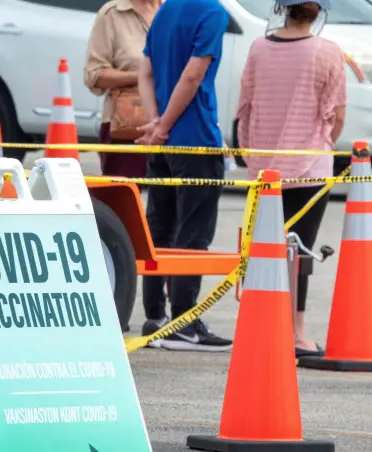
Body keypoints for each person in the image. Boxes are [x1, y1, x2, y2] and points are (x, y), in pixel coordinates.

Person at [237, 0, 346, 358]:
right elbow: (336, 114)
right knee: (300, 252)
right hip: (309, 168)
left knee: (263, 250)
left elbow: (245, 107)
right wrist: (324, 143)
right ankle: (296, 332)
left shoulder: (258, 48)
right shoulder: (327, 51)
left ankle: (259, 326)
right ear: (320, 12)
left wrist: (250, 151)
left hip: (263, 169)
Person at [134, 0, 233, 352]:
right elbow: (193, 75)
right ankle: (184, 321)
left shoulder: (166, 10)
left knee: (159, 228)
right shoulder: (212, 13)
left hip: (162, 142)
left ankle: (155, 316)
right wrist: (165, 125)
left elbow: (144, 73)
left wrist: (156, 123)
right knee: (193, 233)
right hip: (195, 139)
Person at [84, 0, 161, 179]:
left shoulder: (173, 10)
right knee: (122, 193)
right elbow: (94, 75)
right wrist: (142, 76)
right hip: (126, 123)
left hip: (169, 121)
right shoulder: (112, 13)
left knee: (169, 194)